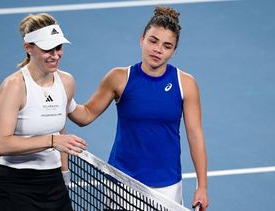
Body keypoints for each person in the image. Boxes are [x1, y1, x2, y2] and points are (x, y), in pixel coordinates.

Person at [68, 6, 208, 210]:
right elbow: (86, 115)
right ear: (142, 39)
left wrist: (202, 186)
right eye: (153, 40)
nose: (158, 49)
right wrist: (64, 99)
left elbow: (195, 135)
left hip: (167, 186)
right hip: (122, 181)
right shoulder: (118, 78)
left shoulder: (185, 83)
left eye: (167, 46)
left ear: (174, 51)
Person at [0, 13, 86, 211]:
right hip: (14, 187)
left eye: (59, 48)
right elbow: (0, 144)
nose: (56, 55)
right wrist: (52, 141)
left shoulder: (66, 82)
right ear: (28, 48)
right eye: (48, 49)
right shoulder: (14, 86)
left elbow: (62, 130)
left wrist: (64, 173)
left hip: (54, 185)